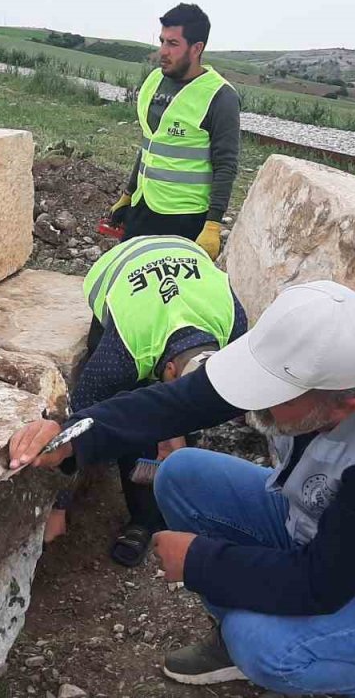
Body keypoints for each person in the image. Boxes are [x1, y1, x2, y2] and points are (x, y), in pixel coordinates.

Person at [7, 281, 355, 698]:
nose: (253, 401)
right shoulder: (312, 364)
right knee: (183, 476)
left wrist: (200, 562)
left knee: (265, 648)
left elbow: (323, 583)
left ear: (341, 409)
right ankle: (233, 640)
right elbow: (179, 403)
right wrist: (74, 435)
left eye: (272, 397)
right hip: (315, 520)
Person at [51, 234, 248, 566]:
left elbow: (195, 402)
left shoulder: (235, 328)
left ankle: (154, 512)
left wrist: (180, 433)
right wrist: (58, 505)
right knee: (132, 417)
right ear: (169, 368)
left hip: (185, 255)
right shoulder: (123, 353)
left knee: (184, 416)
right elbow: (77, 418)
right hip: (117, 270)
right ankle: (142, 515)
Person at [103, 3, 240, 259]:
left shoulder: (220, 97)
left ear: (196, 48)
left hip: (184, 220)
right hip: (143, 206)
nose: (162, 52)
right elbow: (150, 144)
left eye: (173, 44)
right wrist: (128, 194)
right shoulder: (155, 80)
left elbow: (226, 165)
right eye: (162, 41)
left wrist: (213, 225)